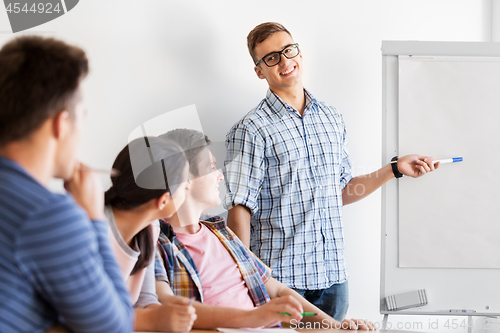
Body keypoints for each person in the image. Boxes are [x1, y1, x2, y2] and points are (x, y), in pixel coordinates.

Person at [223, 22, 440, 321]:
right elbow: (239, 207)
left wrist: (393, 169)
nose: (285, 61)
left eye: (289, 50)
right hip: (282, 280)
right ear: (260, 70)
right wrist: (245, 277)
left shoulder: (331, 118)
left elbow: (340, 191)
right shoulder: (250, 129)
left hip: (333, 279)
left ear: (299, 51)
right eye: (271, 57)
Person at [154, 128, 374, 330]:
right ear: (184, 176)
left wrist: (333, 326)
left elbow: (276, 290)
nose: (220, 175)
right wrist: (255, 317)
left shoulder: (220, 231)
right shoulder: (155, 244)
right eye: (211, 168)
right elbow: (167, 309)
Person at [0, 36, 133, 332]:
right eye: (81, 118)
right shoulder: (48, 214)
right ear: (61, 124)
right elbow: (116, 326)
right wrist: (93, 218)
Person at [104, 136, 197, 332]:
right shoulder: (94, 228)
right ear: (163, 200)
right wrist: (153, 319)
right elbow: (89, 314)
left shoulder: (151, 228)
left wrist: (165, 315)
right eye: (183, 181)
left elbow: (145, 298)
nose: (188, 186)